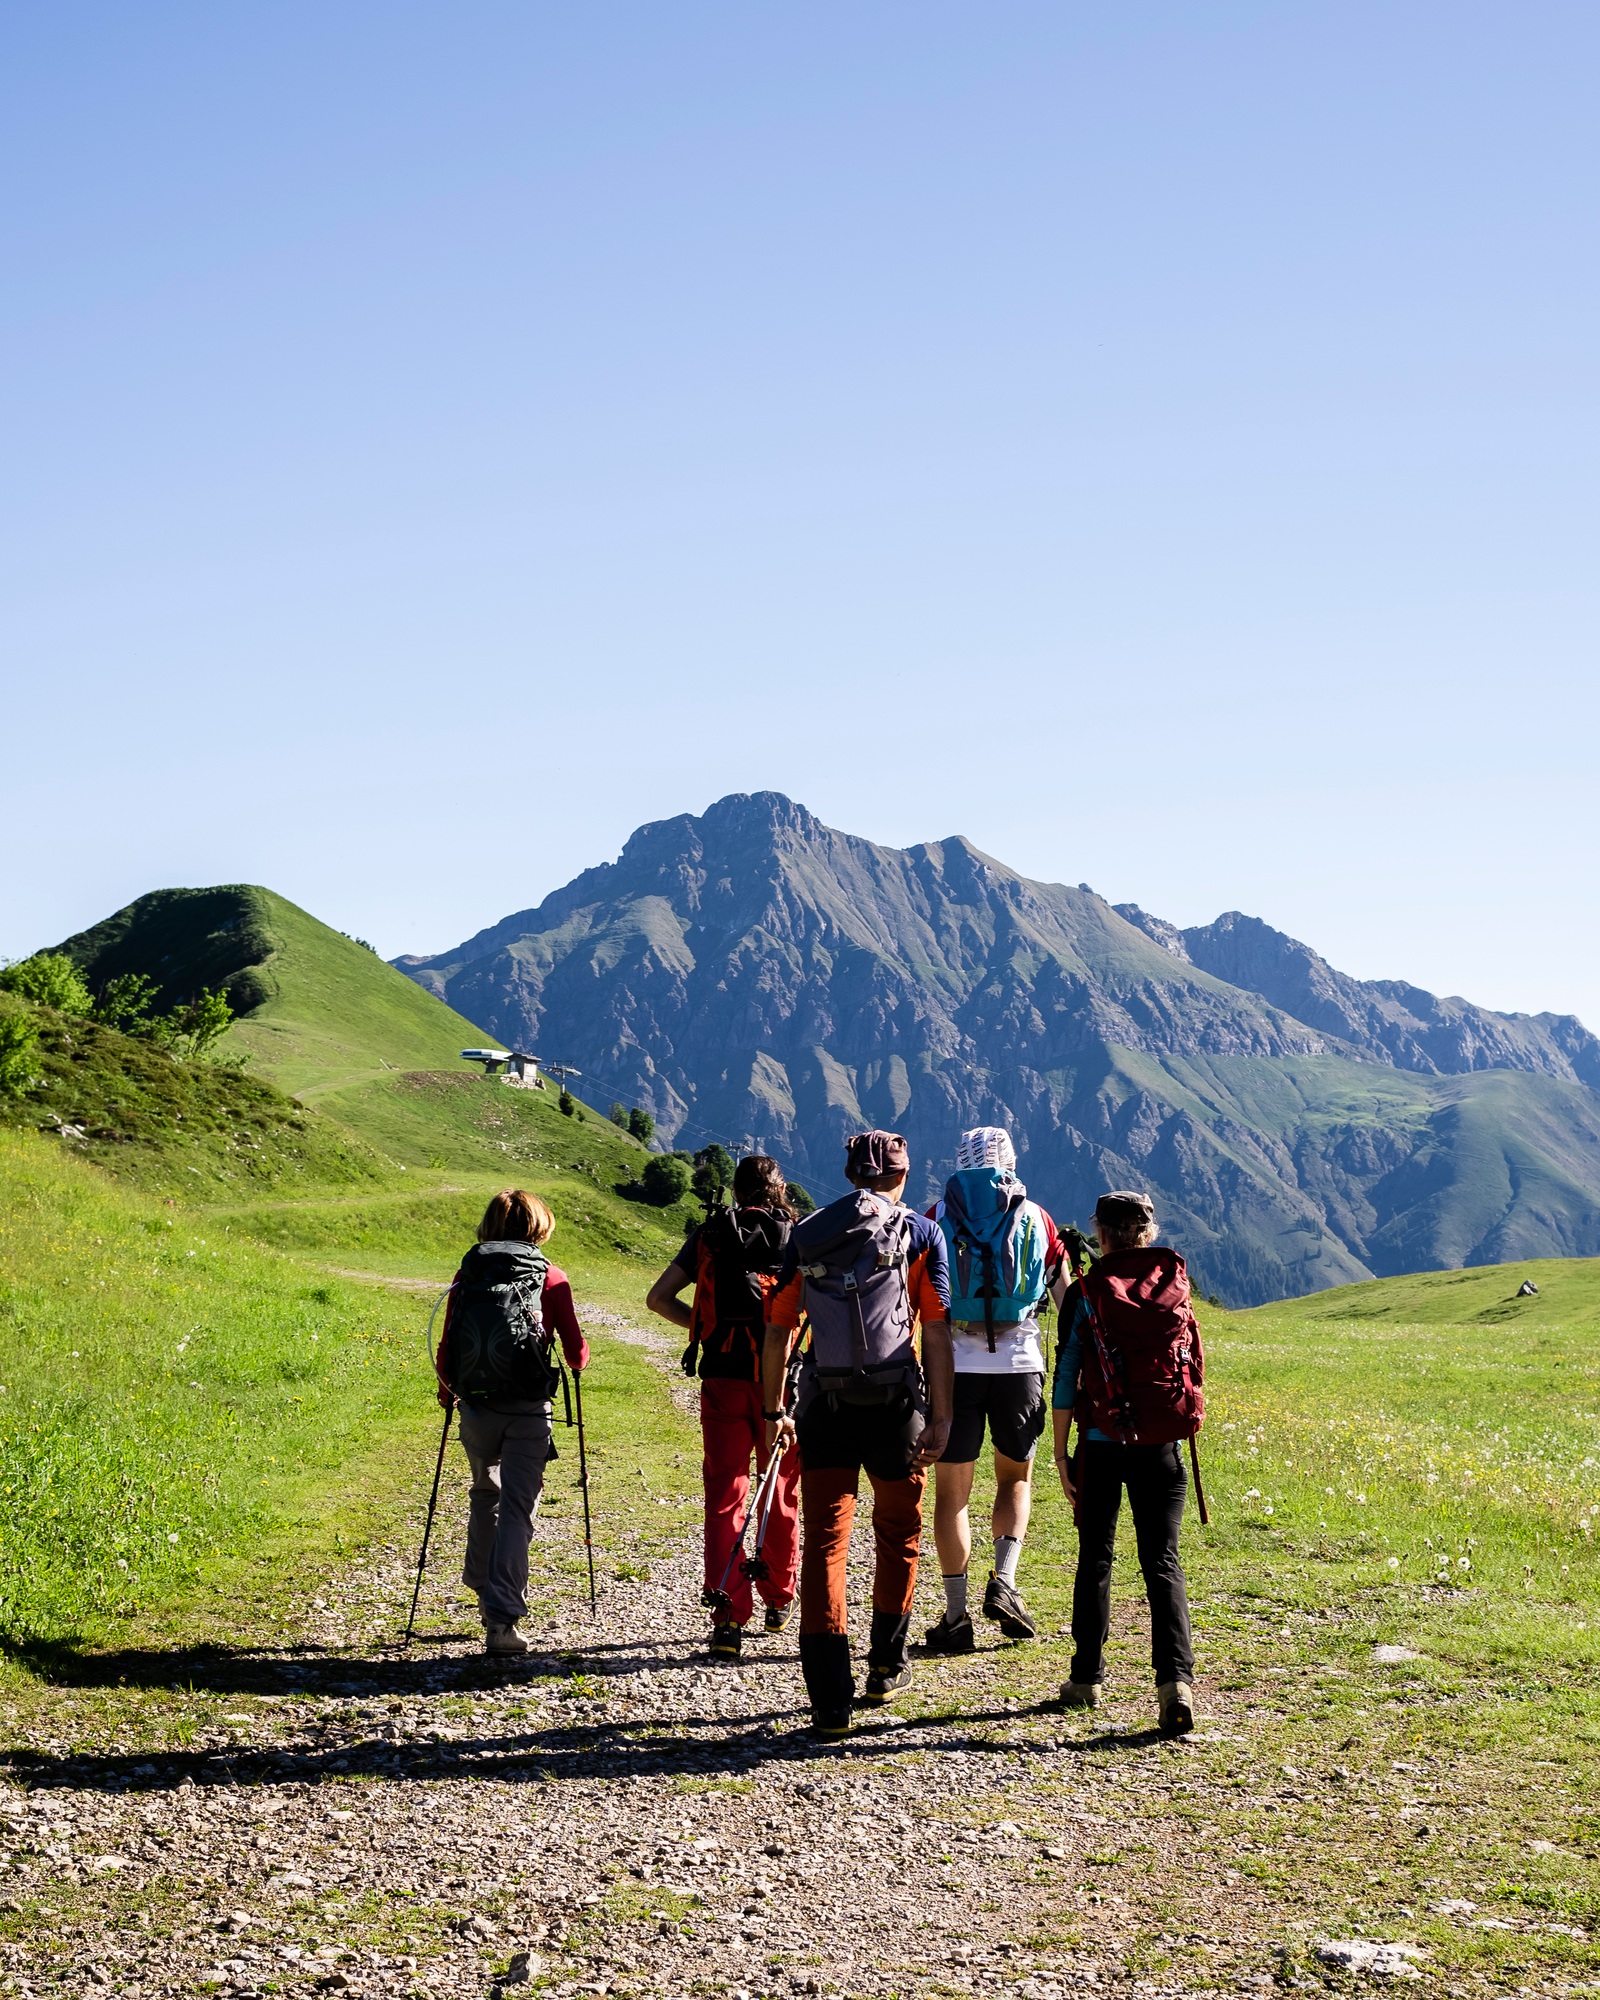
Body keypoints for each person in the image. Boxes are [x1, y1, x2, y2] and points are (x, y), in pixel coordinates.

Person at [764, 1130, 954, 1737]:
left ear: (849, 1175)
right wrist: (943, 1416)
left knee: (824, 1540)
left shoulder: (810, 1233)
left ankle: (828, 1696)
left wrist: (775, 1409)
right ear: (903, 1175)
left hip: (825, 1404)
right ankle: (885, 1664)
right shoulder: (921, 1234)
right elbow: (938, 1330)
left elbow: (778, 1327)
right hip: (898, 1405)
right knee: (898, 1529)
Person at [1052, 1189, 1204, 1736]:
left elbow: (1067, 1373)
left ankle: (1087, 1678)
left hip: (1100, 1441)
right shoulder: (1173, 1284)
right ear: (1145, 1231)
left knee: (1095, 1556)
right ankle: (1176, 1685)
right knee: (1162, 1562)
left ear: (1102, 1233)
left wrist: (1060, 1448)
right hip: (1160, 1444)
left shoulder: (1087, 1291)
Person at [646, 1154, 801, 1660]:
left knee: (726, 1494)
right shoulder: (798, 1235)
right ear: (779, 1189)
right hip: (780, 1384)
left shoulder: (711, 1234)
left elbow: (657, 1298)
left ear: (735, 1191)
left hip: (723, 1377)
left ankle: (729, 1617)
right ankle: (779, 1597)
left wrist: (704, 1329)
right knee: (780, 1489)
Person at [923, 1126, 1067, 1652]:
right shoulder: (1037, 1217)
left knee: (952, 1494)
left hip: (953, 1365)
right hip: (1020, 1362)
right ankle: (1004, 1582)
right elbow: (1064, 1293)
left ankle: (956, 1616)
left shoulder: (936, 1216)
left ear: (959, 1163)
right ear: (1009, 1162)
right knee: (1014, 1480)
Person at [434, 1189, 590, 1655]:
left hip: (476, 1407)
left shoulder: (469, 1273)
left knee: (484, 1492)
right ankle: (501, 1623)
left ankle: (481, 1585)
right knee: (518, 1511)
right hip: (527, 1410)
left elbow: (448, 1344)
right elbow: (576, 1351)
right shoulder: (550, 1275)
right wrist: (576, 1365)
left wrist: (448, 1395)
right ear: (539, 1227)